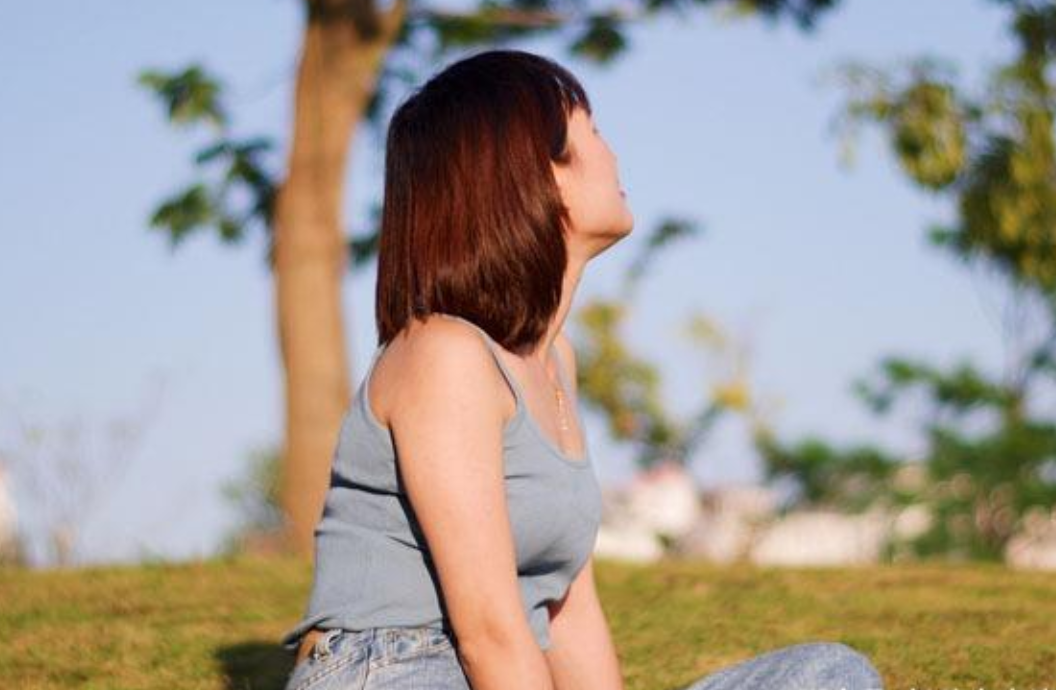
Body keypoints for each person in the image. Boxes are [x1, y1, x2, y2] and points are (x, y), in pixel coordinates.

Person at [279, 48, 885, 690]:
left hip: (499, 667)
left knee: (830, 674)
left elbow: (568, 611)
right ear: (536, 176)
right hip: (395, 669)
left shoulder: (553, 360)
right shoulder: (444, 355)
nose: (614, 155)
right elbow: (488, 634)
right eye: (590, 132)